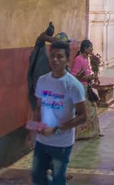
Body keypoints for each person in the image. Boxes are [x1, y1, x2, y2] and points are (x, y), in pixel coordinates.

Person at [31, 40, 87, 185]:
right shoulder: (42, 81)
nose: (55, 60)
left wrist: (56, 129)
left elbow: (82, 116)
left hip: (62, 143)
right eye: (52, 56)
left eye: (60, 56)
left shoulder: (73, 85)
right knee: (37, 176)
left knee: (58, 177)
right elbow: (38, 108)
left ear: (67, 59)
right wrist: (33, 130)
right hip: (42, 140)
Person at [71, 40, 102, 140]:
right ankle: (81, 134)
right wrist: (86, 78)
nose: (92, 49)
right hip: (81, 89)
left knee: (91, 109)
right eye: (90, 47)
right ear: (85, 48)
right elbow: (74, 76)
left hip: (86, 88)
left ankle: (91, 132)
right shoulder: (79, 59)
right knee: (87, 111)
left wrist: (92, 77)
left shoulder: (86, 59)